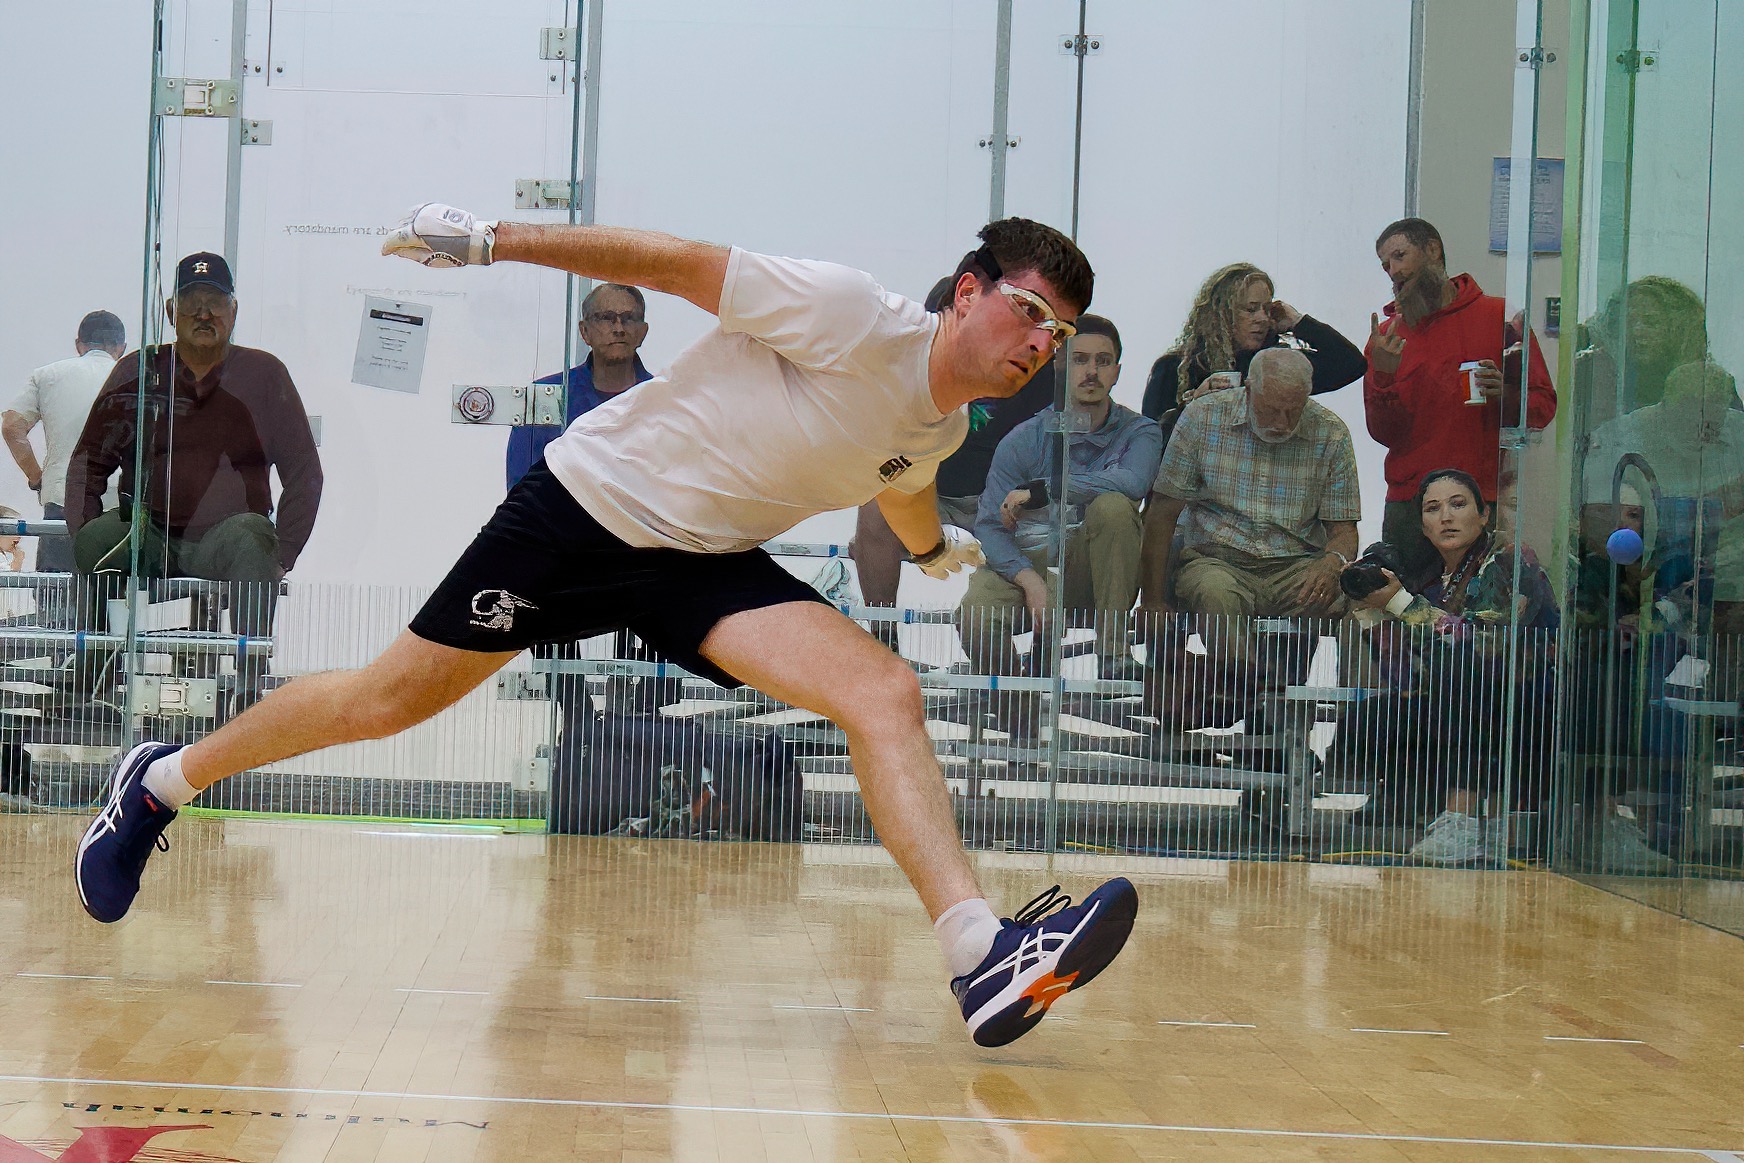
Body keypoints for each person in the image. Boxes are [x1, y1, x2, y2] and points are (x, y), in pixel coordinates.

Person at [75, 205, 1138, 1049]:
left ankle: (979, 953)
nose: (1041, 343)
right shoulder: (853, 314)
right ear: (967, 292)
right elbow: (673, 263)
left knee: (883, 690)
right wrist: (494, 240)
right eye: (1029, 313)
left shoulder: (942, 421)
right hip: (584, 510)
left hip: (701, 562)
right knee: (384, 701)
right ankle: (160, 780)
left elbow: (901, 479)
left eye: (1057, 333)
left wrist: (930, 547)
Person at [62, 254, 323, 621]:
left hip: (229, 538)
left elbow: (305, 473)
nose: (203, 314)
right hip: (147, 533)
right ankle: (99, 655)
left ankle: (249, 656)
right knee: (96, 541)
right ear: (172, 311)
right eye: (191, 303)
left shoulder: (265, 374)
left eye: (214, 302)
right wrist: (82, 530)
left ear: (233, 311)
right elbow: (87, 463)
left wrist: (285, 553)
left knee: (256, 539)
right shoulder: (137, 370)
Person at [1348, 468, 1559, 864]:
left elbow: (1485, 644)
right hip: (1462, 696)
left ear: (1484, 515)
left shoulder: (1510, 558)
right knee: (1375, 715)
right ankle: (1437, 811)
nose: (1446, 517)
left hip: (1531, 696)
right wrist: (1372, 611)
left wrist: (1400, 604)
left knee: (1465, 676)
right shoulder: (1430, 580)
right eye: (1433, 509)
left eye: (1458, 504)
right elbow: (1405, 677)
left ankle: (1464, 817)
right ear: (1422, 526)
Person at [850, 272, 1057, 647]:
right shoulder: (910, 363)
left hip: (1004, 501)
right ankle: (883, 640)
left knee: (1041, 533)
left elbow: (1050, 448)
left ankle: (1031, 656)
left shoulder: (1030, 366)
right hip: (930, 496)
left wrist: (1028, 494)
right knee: (876, 506)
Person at [957, 314, 1161, 682]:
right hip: (1028, 562)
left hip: (1093, 568)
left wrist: (1047, 489)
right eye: (1080, 360)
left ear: (1117, 371)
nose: (1091, 372)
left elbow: (1133, 483)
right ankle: (1014, 698)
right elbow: (989, 525)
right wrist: (1031, 583)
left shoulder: (1139, 431)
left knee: (1114, 507)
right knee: (976, 614)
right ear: (1060, 366)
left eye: (1103, 361)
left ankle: (1113, 654)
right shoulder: (1024, 438)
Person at [1364, 218, 1557, 578]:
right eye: (1385, 265)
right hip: (1410, 504)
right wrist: (1384, 376)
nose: (1393, 271)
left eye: (1400, 256)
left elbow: (1542, 407)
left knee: (1483, 606)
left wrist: (1505, 395)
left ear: (1433, 250)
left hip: (1480, 499)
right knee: (1402, 607)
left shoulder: (1501, 319)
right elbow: (1382, 432)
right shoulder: (1387, 337)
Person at [1141, 348, 1359, 626]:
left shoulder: (1331, 432)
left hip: (1297, 566)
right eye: (1271, 410)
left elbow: (1344, 529)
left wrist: (1332, 562)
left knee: (1359, 601)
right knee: (1216, 594)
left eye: (1294, 411)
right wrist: (1152, 600)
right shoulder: (1203, 417)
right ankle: (1237, 658)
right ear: (1248, 390)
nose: (1282, 423)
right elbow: (1162, 512)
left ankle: (1377, 654)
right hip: (1217, 560)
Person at [1139, 262, 1365, 445]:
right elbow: (1149, 445)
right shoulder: (1175, 367)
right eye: (1251, 309)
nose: (1262, 318)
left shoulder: (1275, 366)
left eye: (1268, 309)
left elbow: (1350, 364)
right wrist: (1193, 406)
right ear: (1222, 313)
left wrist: (1298, 322)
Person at [4, 310, 126, 573]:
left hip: (64, 500)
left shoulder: (47, 375)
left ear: (79, 344)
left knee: (56, 591)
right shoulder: (136, 380)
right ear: (121, 348)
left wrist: (37, 477)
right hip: (119, 507)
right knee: (113, 591)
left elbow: (11, 426)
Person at [505, 283, 654, 490]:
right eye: (606, 318)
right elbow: (521, 489)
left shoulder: (662, 400)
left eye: (629, 318)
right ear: (585, 331)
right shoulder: (546, 398)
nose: (618, 329)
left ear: (643, 332)